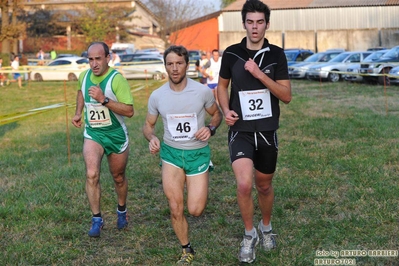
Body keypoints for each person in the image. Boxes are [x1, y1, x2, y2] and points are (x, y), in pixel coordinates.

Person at [217, 0, 292, 263]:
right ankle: (249, 234)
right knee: (244, 184)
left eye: (260, 22)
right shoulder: (232, 53)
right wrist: (225, 110)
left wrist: (260, 74)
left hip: (268, 130)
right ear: (244, 24)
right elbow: (221, 87)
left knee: (264, 185)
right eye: (250, 22)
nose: (255, 27)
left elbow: (286, 96)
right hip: (241, 130)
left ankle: (266, 227)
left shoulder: (276, 54)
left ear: (267, 24)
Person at [142, 45, 222, 264]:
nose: (174, 68)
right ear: (165, 66)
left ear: (187, 65)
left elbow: (217, 115)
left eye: (179, 63)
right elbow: (148, 126)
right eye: (170, 64)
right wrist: (152, 138)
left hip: (197, 154)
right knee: (175, 207)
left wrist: (211, 129)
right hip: (171, 155)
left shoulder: (202, 91)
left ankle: (199, 184)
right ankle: (186, 249)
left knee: (195, 210)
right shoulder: (157, 95)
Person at [71, 41, 134, 237]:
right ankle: (97, 219)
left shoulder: (117, 79)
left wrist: (103, 99)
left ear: (108, 58)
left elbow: (130, 111)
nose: (94, 64)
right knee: (92, 174)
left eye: (98, 59)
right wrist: (78, 112)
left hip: (115, 135)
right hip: (94, 133)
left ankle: (122, 210)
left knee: (118, 177)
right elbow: (81, 92)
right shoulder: (84, 76)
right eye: (90, 59)